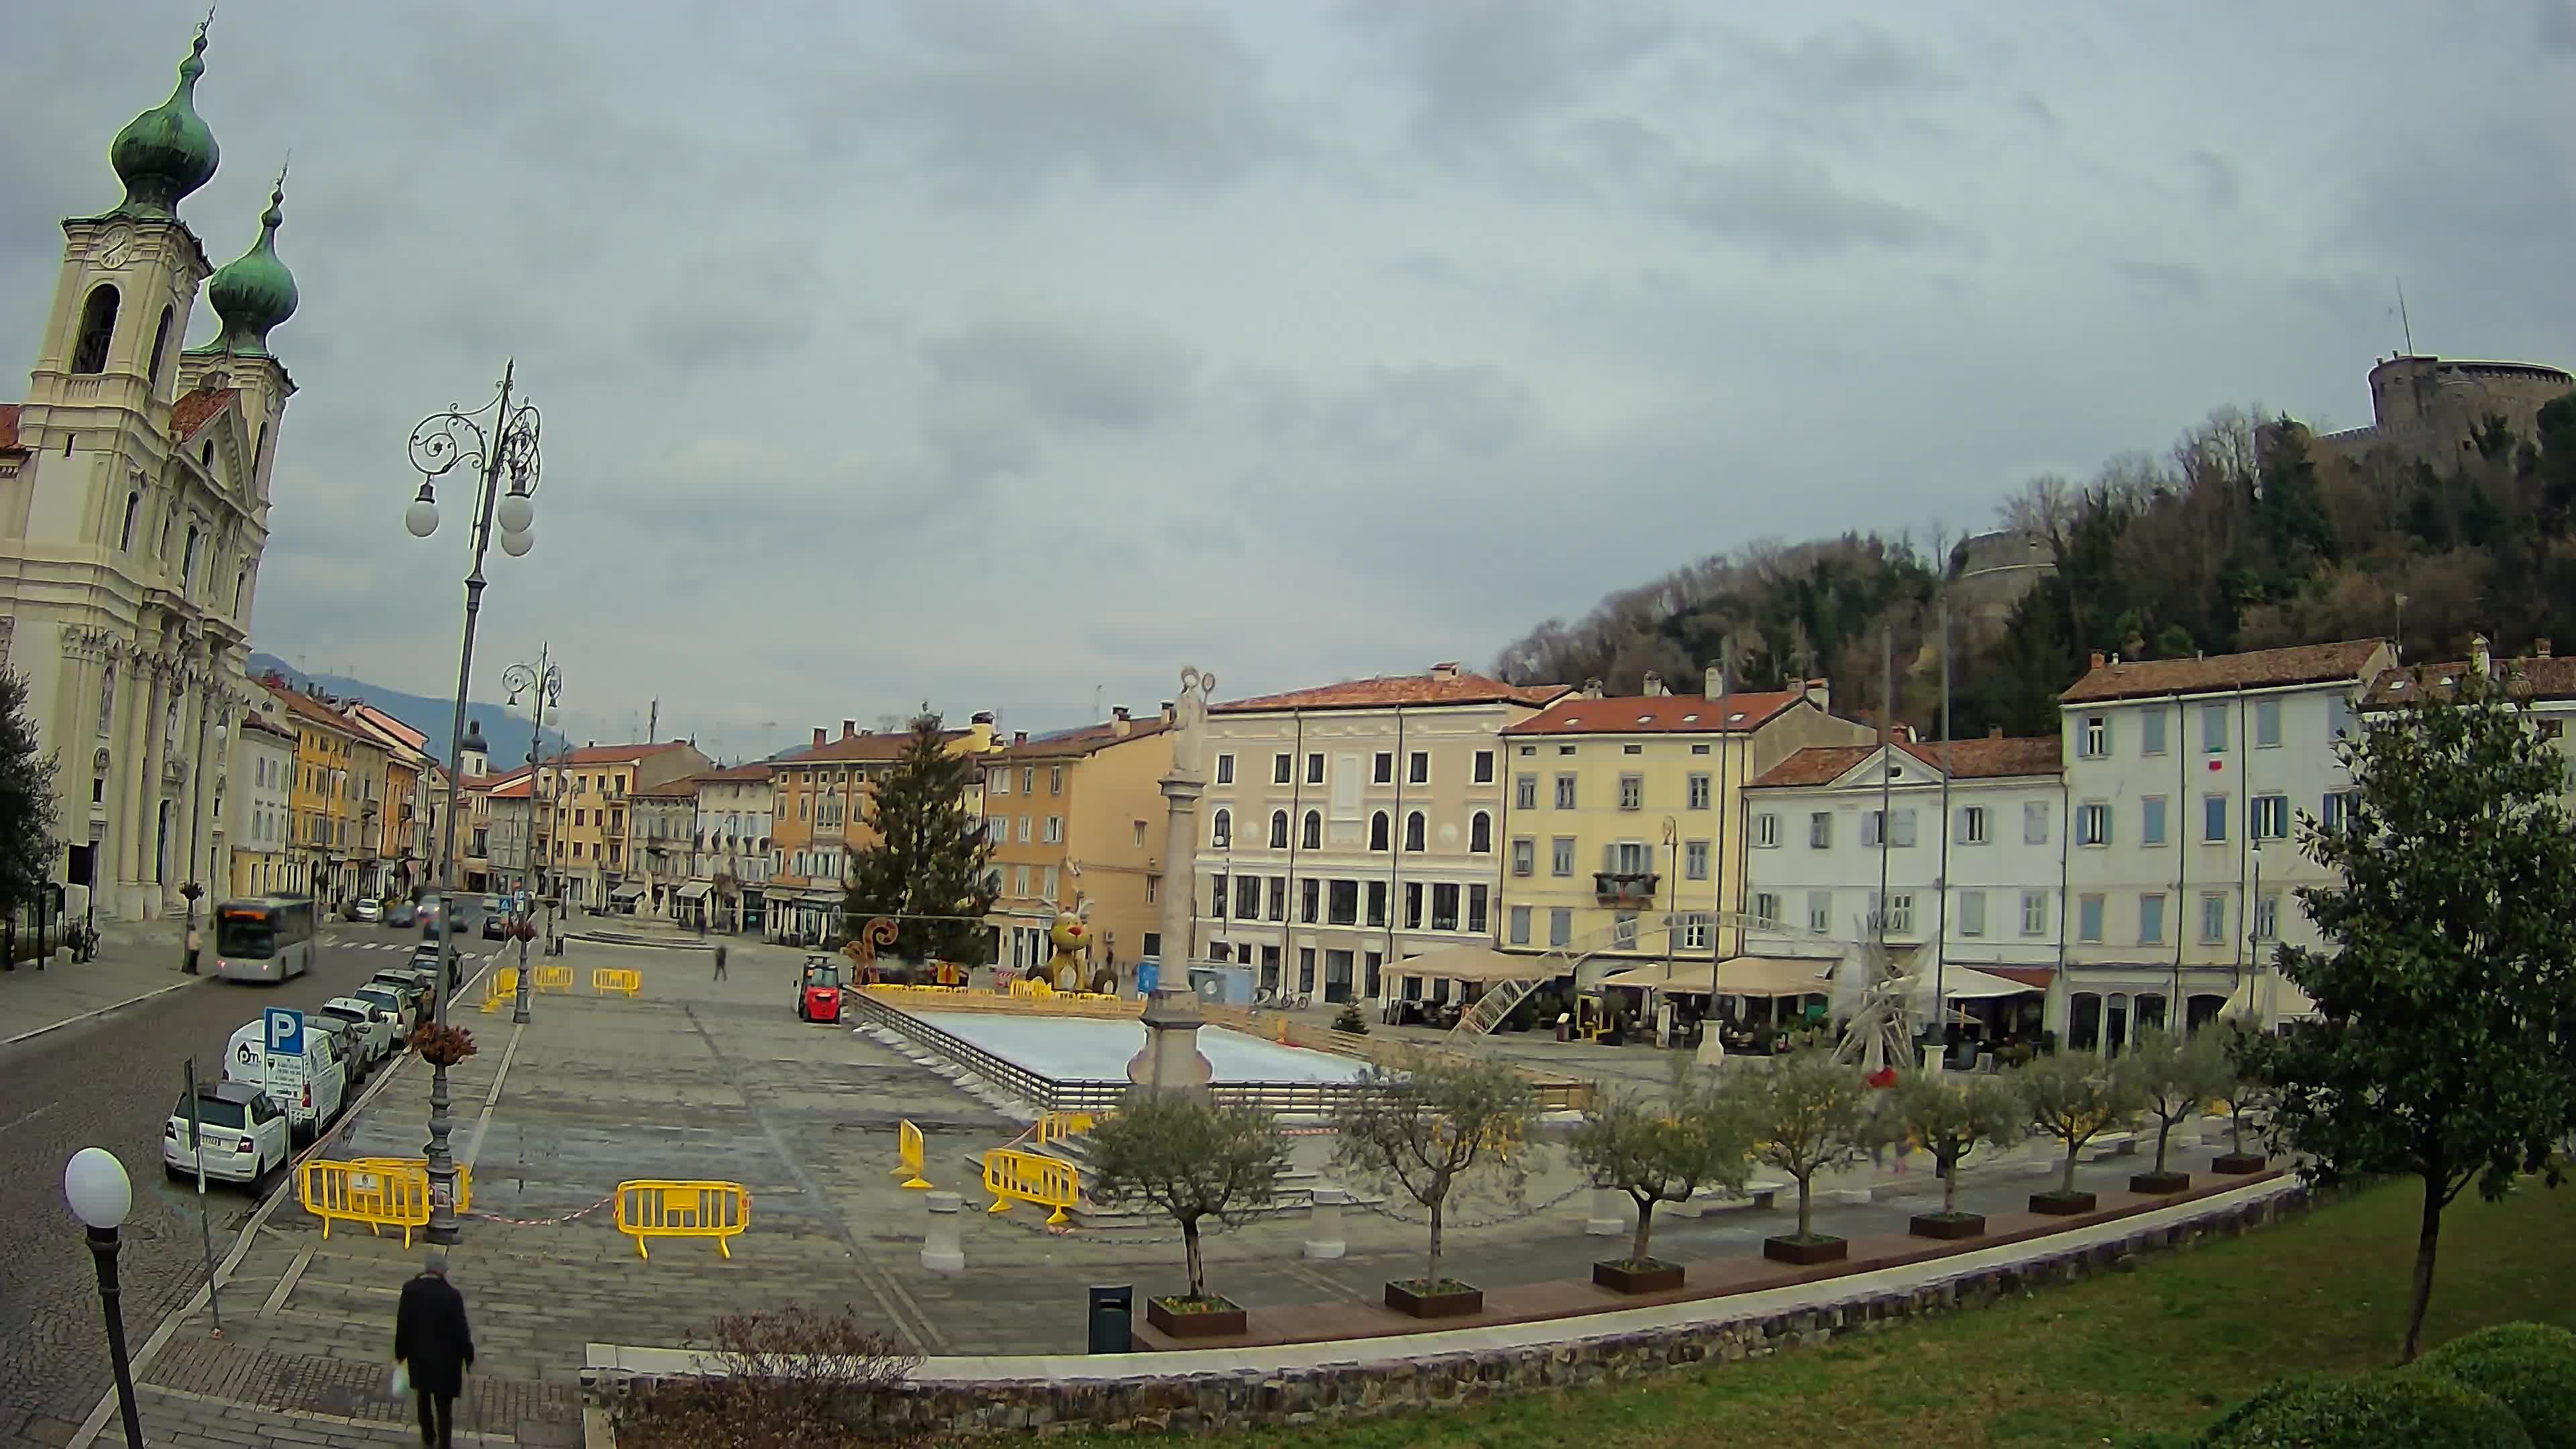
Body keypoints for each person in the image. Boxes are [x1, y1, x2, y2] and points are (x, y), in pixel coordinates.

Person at [394, 1249, 474, 1448]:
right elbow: (461, 1331)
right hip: (446, 1363)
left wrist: (400, 1352)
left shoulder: (410, 1290)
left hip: (419, 1357)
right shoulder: (452, 1296)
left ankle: (428, 1435)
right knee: (444, 1407)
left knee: (423, 1397)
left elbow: (403, 1324)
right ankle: (444, 1444)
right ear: (442, 1272)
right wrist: (468, 1355)